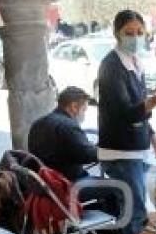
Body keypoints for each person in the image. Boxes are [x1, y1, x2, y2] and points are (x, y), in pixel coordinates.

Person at [97, 10, 156, 234]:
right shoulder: (111, 66)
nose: (135, 37)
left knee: (136, 206)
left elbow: (139, 108)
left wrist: (153, 136)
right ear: (117, 33)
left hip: (137, 148)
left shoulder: (136, 63)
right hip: (120, 152)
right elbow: (123, 112)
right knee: (134, 211)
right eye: (129, 33)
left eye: (139, 32)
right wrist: (152, 102)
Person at [27, 87, 122, 219]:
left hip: (46, 186)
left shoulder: (38, 123)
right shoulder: (68, 126)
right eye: (84, 109)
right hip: (65, 186)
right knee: (119, 187)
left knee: (99, 183)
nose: (84, 114)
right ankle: (112, 232)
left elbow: (75, 150)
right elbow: (87, 154)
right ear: (74, 107)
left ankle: (90, 223)